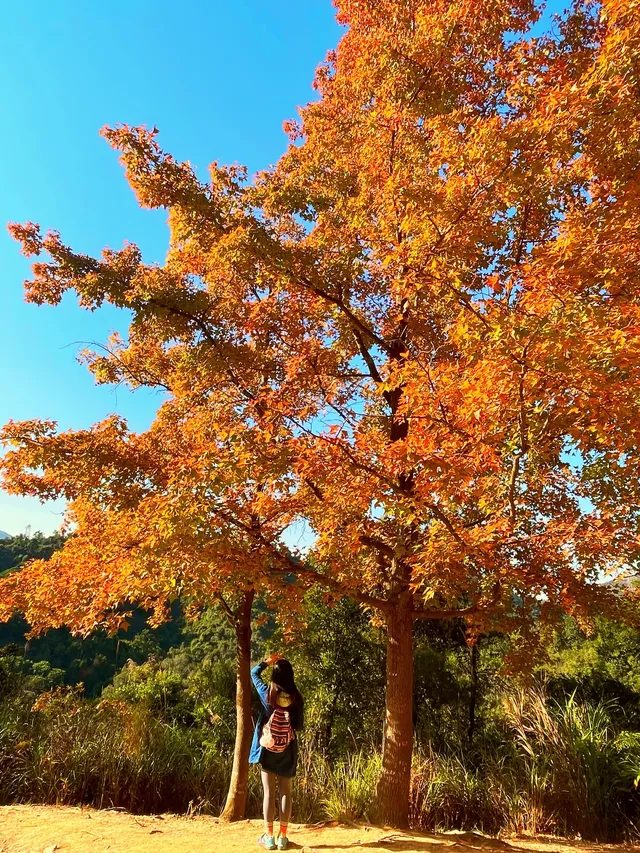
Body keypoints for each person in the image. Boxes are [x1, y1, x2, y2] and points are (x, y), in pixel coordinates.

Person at [251, 652, 304, 851]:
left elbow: (254, 673)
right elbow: (298, 726)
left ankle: (269, 837)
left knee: (268, 793)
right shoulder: (296, 699)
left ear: (274, 677)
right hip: (287, 751)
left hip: (267, 749)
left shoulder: (267, 694)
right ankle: (283, 838)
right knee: (285, 792)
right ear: (290, 677)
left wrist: (267, 661)